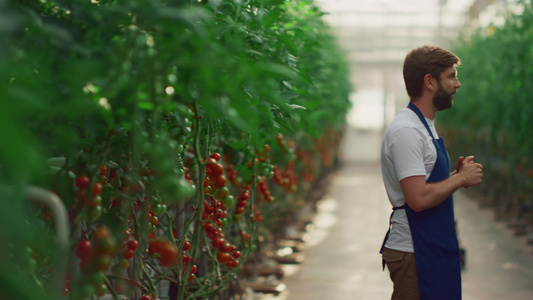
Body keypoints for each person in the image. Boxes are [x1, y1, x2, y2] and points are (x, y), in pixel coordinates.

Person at [379, 45, 484, 300]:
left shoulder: (423, 126)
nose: (457, 84)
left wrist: (451, 177)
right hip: (415, 251)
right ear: (429, 81)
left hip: (430, 247)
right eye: (451, 76)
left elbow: (423, 185)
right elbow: (418, 198)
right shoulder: (407, 131)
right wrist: (459, 179)